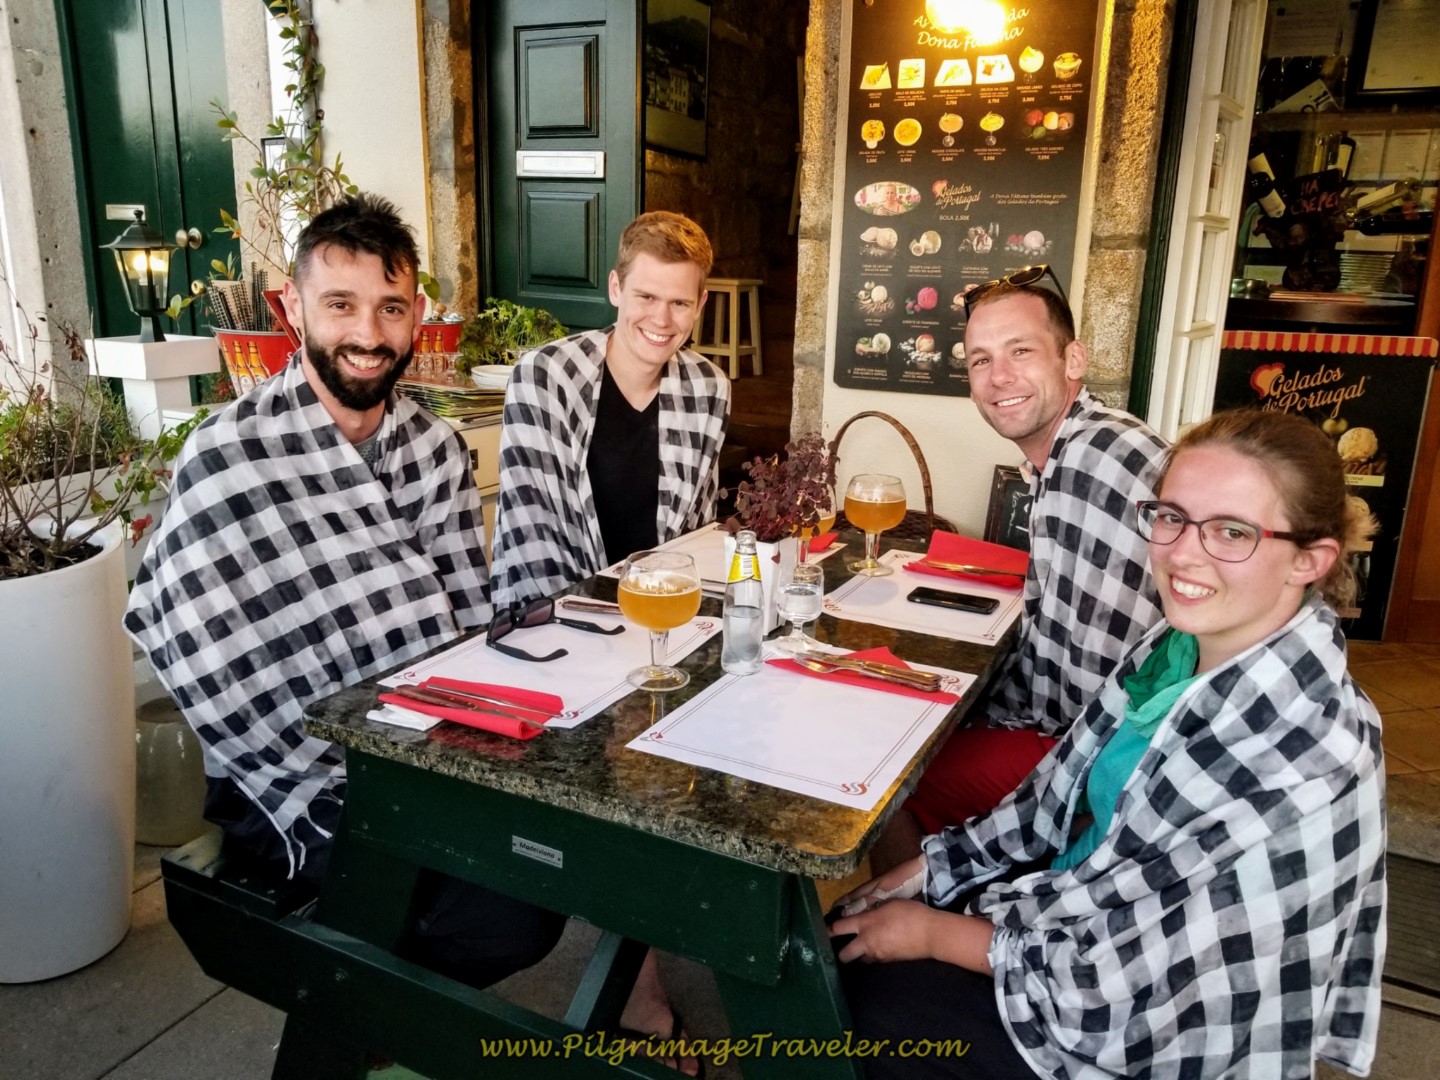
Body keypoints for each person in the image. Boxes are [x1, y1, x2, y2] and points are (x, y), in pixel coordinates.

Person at [831, 409, 1386, 1079]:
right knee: (856, 932)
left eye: (1232, 531)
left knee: (868, 1007)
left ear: (1310, 559)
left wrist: (935, 933)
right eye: (1172, 516)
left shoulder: (1306, 757)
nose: (1183, 552)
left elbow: (1132, 989)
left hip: (1146, 1034)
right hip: (1077, 897)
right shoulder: (1175, 648)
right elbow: (1054, 801)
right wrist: (932, 869)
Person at [125, 193, 563, 988]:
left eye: (390, 308)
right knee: (501, 913)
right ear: (293, 308)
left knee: (552, 866)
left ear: (418, 314)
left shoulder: (434, 448)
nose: (368, 335)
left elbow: (463, 621)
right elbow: (205, 662)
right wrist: (350, 770)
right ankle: (366, 1021)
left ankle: (377, 1018)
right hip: (284, 773)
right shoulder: (229, 458)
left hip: (425, 746)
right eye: (341, 305)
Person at [870, 268, 1169, 870]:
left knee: (885, 780)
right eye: (980, 361)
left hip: (1104, 754)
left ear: (1074, 360)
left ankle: (900, 927)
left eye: (1020, 351)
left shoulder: (1109, 456)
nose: (998, 377)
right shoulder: (1063, 458)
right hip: (1079, 726)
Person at [489, 210, 730, 607]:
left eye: (680, 303)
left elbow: (696, 532)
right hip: (556, 614)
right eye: (646, 296)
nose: (662, 319)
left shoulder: (708, 388)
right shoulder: (545, 375)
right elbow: (532, 530)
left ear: (700, 303)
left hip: (660, 606)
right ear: (616, 288)